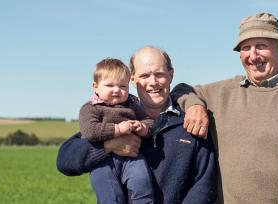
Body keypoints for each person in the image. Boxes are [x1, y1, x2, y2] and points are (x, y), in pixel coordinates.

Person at [173, 12, 278, 203]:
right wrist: (194, 105)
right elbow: (180, 90)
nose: (253, 55)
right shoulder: (221, 94)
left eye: (261, 46)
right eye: (246, 48)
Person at [57, 46, 217, 204]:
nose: (153, 82)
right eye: (145, 75)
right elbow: (65, 161)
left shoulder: (192, 121)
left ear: (171, 74)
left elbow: (203, 186)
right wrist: (108, 146)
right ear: (132, 79)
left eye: (159, 74)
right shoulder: (116, 114)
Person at [79, 58, 155, 204]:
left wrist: (143, 127)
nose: (117, 90)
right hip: (103, 162)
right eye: (109, 85)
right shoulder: (90, 108)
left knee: (142, 185)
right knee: (110, 196)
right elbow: (90, 131)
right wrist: (118, 129)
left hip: (133, 157)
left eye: (123, 86)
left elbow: (149, 121)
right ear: (95, 86)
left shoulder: (133, 105)